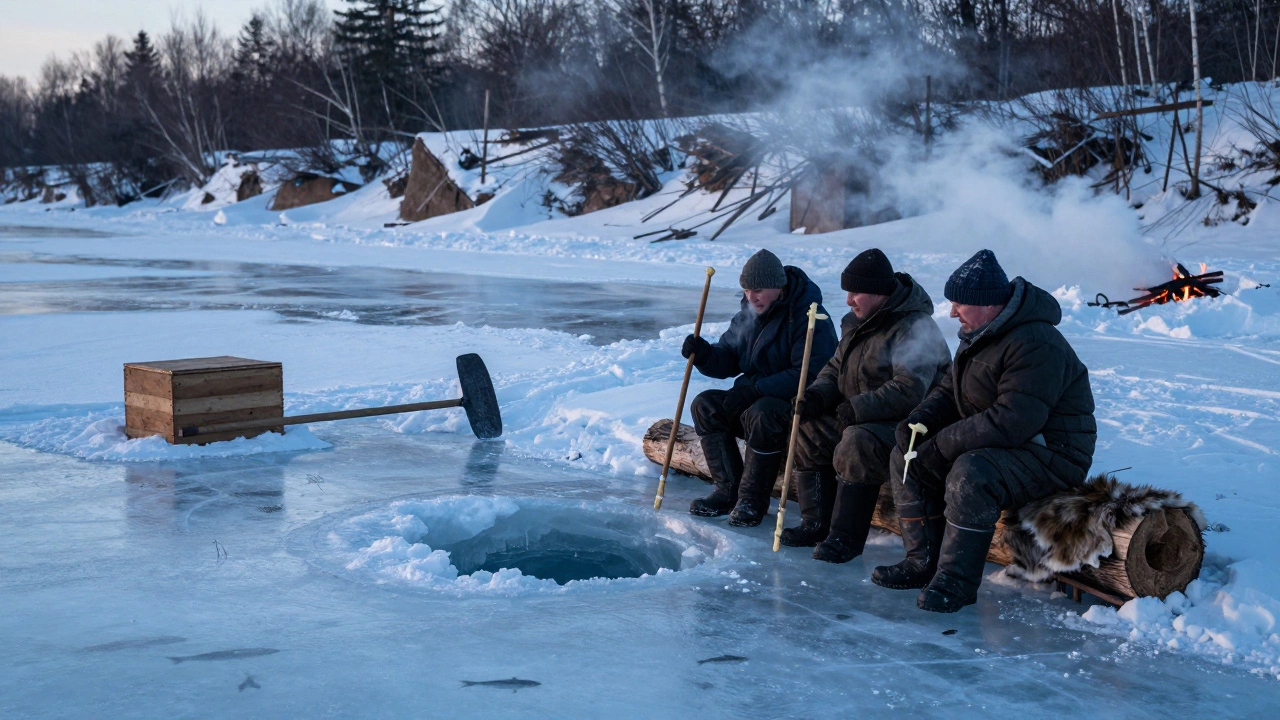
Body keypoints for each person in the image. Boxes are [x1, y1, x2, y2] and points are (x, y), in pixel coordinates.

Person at [871, 249, 1096, 613]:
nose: (952, 312)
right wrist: (921, 420)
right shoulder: (980, 331)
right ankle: (920, 563)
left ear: (989, 304)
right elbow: (949, 388)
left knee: (971, 472)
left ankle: (956, 583)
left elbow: (1013, 419)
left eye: (959, 303)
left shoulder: (1035, 342)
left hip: (1051, 454)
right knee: (906, 455)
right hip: (1009, 446)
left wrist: (944, 445)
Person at [785, 249, 950, 562]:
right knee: (808, 428)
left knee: (857, 441)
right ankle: (816, 522)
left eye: (856, 292)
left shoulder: (915, 327)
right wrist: (817, 395)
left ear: (879, 293)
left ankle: (845, 537)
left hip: (912, 425)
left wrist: (858, 407)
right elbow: (835, 368)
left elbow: (910, 390)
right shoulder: (857, 322)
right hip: (865, 416)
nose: (849, 300)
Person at [681, 249, 837, 527]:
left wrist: (757, 389)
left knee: (761, 413)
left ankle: (752, 500)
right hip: (754, 398)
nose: (751, 297)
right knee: (706, 405)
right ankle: (727, 490)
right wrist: (704, 354)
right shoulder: (748, 314)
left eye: (758, 290)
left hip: (797, 406)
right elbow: (729, 355)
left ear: (779, 287)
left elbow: (810, 374)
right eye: (746, 290)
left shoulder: (809, 316)